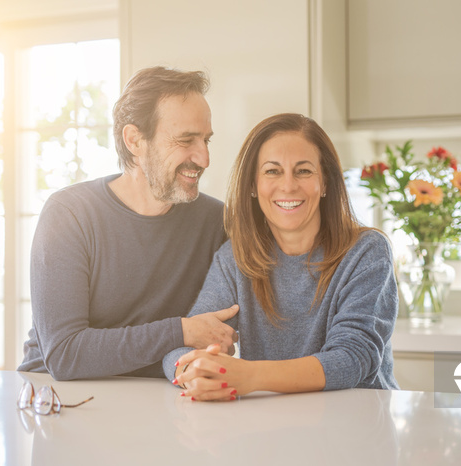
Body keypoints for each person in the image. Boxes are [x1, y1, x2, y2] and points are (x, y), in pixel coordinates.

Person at [18, 66, 239, 381]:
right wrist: (183, 330)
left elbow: (220, 331)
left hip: (157, 400)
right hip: (55, 400)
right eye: (186, 140)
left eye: (206, 140)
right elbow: (65, 354)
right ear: (135, 140)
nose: (203, 158)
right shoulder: (69, 214)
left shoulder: (216, 222)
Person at [163, 113, 399, 401]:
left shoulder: (366, 251)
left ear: (324, 183)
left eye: (303, 171)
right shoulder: (236, 258)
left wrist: (249, 376)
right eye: (272, 171)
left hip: (355, 426)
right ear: (252, 185)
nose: (288, 186)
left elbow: (352, 359)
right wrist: (194, 371)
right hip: (271, 429)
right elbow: (187, 344)